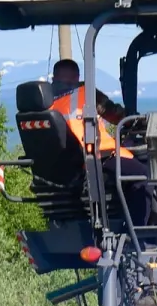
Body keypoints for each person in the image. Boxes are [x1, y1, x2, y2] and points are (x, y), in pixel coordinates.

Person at [50, 57, 148, 226]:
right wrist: (141, 121)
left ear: (54, 78)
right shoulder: (85, 94)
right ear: (76, 77)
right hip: (97, 156)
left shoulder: (45, 101)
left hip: (63, 164)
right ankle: (141, 234)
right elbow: (116, 115)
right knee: (143, 176)